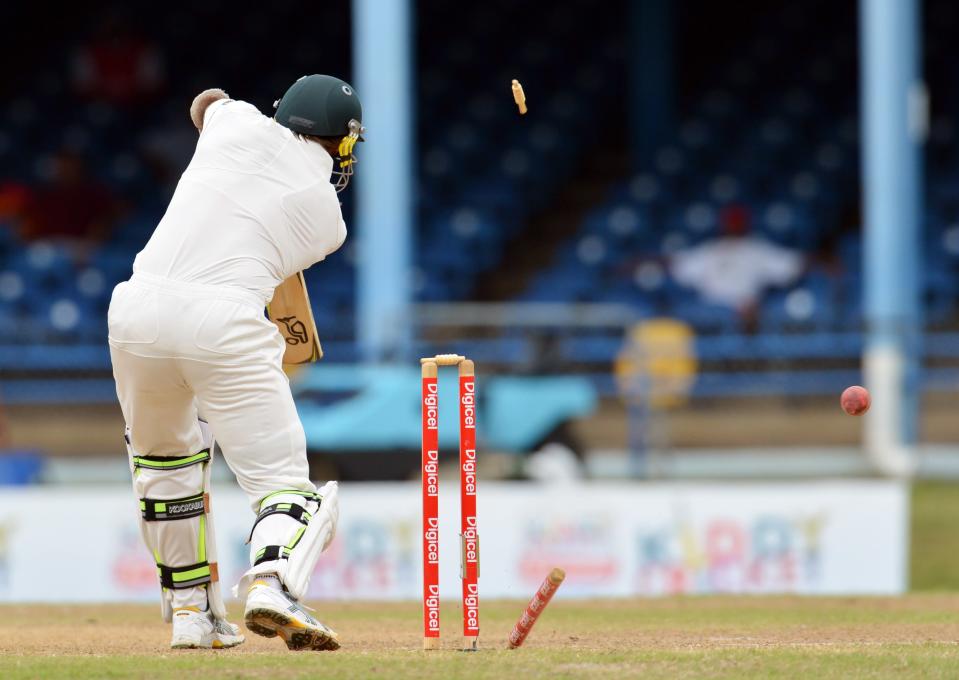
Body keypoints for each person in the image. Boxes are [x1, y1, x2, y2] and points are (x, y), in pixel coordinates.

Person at [107, 74, 364, 651]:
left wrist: (219, 121)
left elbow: (206, 102)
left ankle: (192, 618)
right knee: (287, 488)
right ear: (341, 143)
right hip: (223, 320)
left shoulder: (235, 120)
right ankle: (272, 584)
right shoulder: (328, 219)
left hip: (135, 309)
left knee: (164, 471)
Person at [669, 205, 804, 328]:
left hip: (745, 313)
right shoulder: (710, 250)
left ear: (745, 225)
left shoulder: (756, 249)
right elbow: (678, 268)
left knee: (753, 312)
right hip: (711, 312)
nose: (733, 227)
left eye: (737, 223)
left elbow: (793, 266)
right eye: (731, 223)